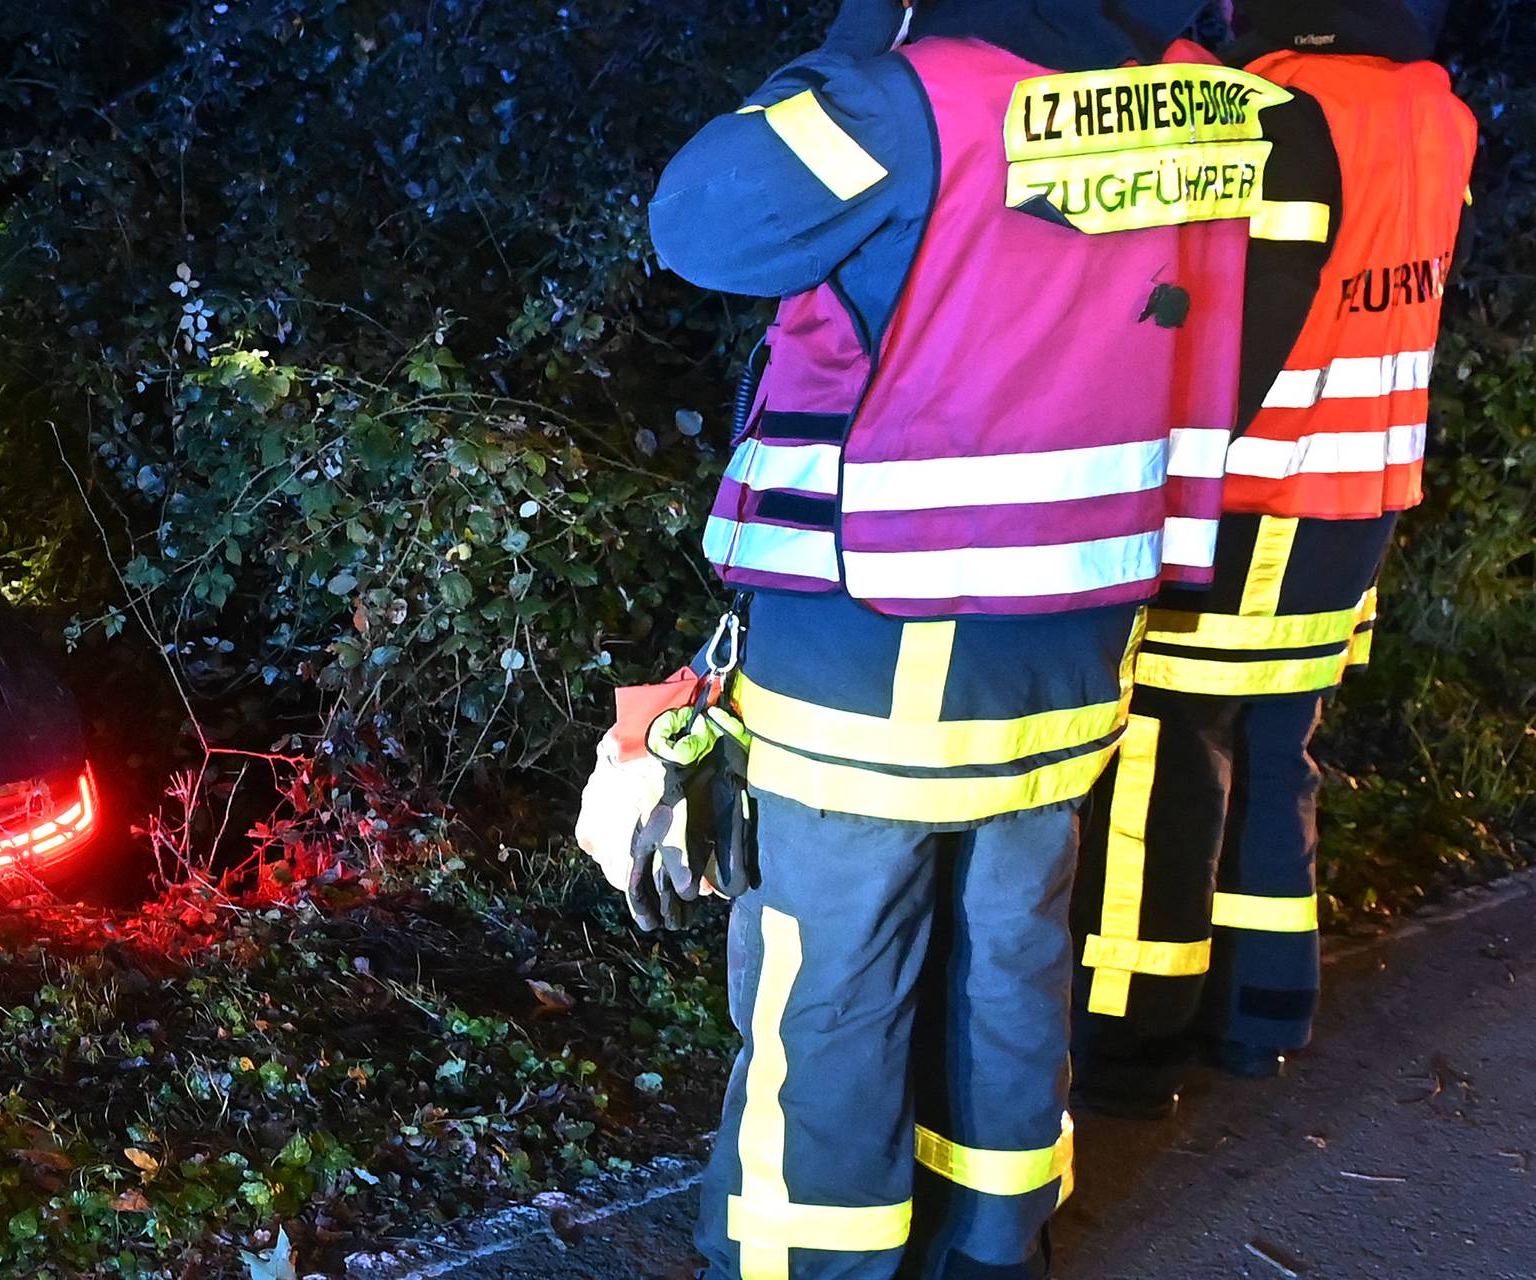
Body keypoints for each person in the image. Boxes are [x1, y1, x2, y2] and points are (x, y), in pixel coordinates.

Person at [588, 0, 1318, 1274]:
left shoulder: (905, 101)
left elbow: (698, 218)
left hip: (877, 651)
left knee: (829, 984)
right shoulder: (1221, 102)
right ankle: (992, 1243)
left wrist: (865, 37)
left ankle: (809, 1260)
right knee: (1015, 957)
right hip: (1075, 646)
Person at [1069, 0, 1476, 1118]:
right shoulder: (1436, 111)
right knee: (1272, 745)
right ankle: (1260, 1010)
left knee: (1168, 758)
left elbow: (1245, 319)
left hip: (1259, 493)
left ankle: (1133, 1040)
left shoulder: (1286, 111)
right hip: (1361, 494)